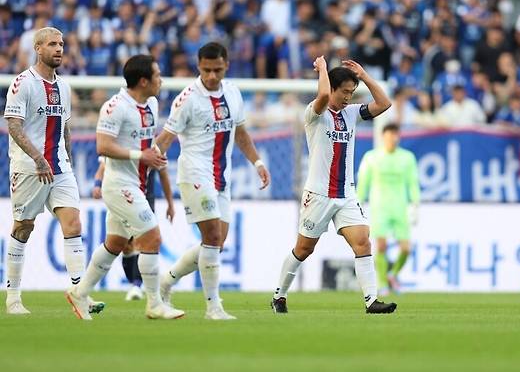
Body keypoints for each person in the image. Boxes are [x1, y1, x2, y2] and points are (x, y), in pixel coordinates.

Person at [271, 56, 397, 314]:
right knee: (304, 249)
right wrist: (323, 70)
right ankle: (279, 296)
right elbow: (324, 95)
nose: (349, 97)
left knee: (363, 241)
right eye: (345, 92)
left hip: (346, 194)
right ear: (334, 89)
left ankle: (371, 301)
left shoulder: (351, 114)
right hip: (318, 195)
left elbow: (385, 103)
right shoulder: (314, 114)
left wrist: (364, 76)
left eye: (352, 92)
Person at [155, 42, 271, 320]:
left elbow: (241, 133)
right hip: (195, 173)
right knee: (213, 238)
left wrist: (257, 162)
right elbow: (166, 139)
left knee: (215, 244)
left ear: (226, 66)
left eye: (217, 70)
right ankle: (213, 307)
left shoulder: (232, 92)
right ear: (198, 67)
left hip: (223, 176)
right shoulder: (186, 100)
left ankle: (166, 281)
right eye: (206, 70)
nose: (211, 76)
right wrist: (143, 161)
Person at [66, 54, 184, 320]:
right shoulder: (114, 107)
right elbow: (103, 146)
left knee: (115, 243)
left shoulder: (151, 104)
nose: (160, 80)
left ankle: (79, 292)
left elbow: (147, 145)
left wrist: (153, 155)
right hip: (119, 185)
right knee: (152, 237)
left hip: (138, 184)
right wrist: (140, 156)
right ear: (143, 81)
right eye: (156, 75)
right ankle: (154, 304)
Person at [4, 26, 103, 315]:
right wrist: (37, 158)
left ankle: (79, 293)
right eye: (52, 44)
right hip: (30, 168)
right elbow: (13, 124)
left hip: (59, 167)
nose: (59, 49)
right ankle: (13, 298)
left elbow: (65, 127)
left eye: (61, 44)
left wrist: (67, 160)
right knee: (24, 227)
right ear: (38, 48)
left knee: (73, 224)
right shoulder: (23, 83)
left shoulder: (64, 86)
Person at [91, 160, 175, 301]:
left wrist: (170, 203)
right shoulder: (123, 143)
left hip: (144, 198)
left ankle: (138, 285)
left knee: (142, 241)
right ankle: (133, 284)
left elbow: (163, 173)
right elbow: (104, 164)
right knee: (125, 246)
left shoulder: (154, 145)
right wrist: (97, 184)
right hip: (121, 194)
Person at [357, 123, 420, 295]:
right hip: (380, 207)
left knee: (406, 248)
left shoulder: (407, 158)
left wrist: (415, 203)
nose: (393, 138)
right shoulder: (372, 157)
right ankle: (383, 283)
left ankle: (393, 274)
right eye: (390, 134)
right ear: (383, 136)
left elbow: (412, 182)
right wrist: (358, 202)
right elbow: (364, 181)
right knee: (382, 245)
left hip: (399, 207)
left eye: (396, 134)